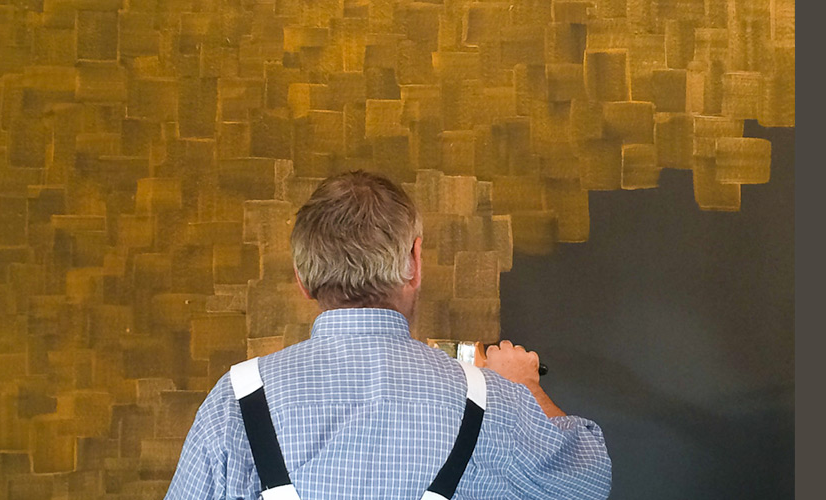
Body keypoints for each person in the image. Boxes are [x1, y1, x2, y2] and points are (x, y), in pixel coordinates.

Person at [163, 171, 611, 499]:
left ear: (302, 278)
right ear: (414, 261)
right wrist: (526, 387)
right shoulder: (494, 402)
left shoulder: (235, 403)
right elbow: (589, 481)